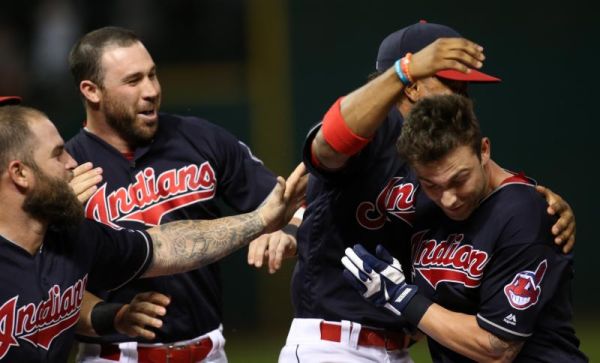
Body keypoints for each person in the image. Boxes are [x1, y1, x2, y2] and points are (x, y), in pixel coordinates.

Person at [279, 21, 576, 363]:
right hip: (335, 345)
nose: (461, 97)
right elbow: (329, 144)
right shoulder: (373, 130)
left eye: (465, 88)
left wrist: (538, 199)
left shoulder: (442, 159)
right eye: (451, 84)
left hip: (401, 342)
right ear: (412, 88)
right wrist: (404, 70)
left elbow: (492, 189)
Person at [65, 26, 301, 362]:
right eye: (133, 81)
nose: (151, 91)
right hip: (115, 355)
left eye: (153, 75)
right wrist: (109, 315)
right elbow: (47, 283)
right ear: (91, 91)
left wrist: (288, 229)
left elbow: (291, 204)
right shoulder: (69, 171)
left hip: (207, 352)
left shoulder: (199, 139)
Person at [0, 104, 303, 362]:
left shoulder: (74, 238)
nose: (71, 163)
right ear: (20, 173)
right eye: (57, 155)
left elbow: (166, 244)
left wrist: (259, 220)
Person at [342, 94, 587, 362]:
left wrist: (402, 297)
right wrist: (294, 229)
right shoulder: (426, 209)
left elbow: (497, 348)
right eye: (432, 184)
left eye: (459, 179)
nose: (449, 198)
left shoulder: (522, 214)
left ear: (484, 150)